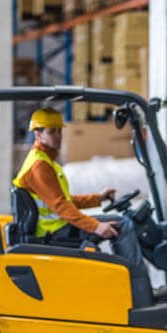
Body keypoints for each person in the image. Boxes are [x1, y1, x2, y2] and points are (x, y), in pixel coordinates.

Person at [13, 107, 145, 270]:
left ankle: (128, 277)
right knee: (123, 224)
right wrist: (96, 227)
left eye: (59, 131)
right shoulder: (40, 166)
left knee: (118, 223)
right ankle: (136, 281)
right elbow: (62, 206)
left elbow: (64, 200)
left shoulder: (45, 160)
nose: (58, 137)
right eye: (51, 132)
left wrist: (98, 198)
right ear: (38, 134)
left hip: (58, 227)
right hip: (55, 232)